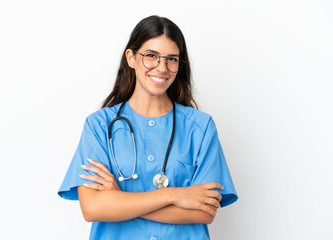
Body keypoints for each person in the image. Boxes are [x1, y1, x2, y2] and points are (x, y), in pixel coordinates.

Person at [58, 15, 238, 240]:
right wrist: (176, 195)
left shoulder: (201, 128)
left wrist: (119, 199)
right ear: (131, 58)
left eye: (171, 59)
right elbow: (93, 208)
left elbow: (204, 212)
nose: (162, 68)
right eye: (151, 56)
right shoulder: (98, 126)